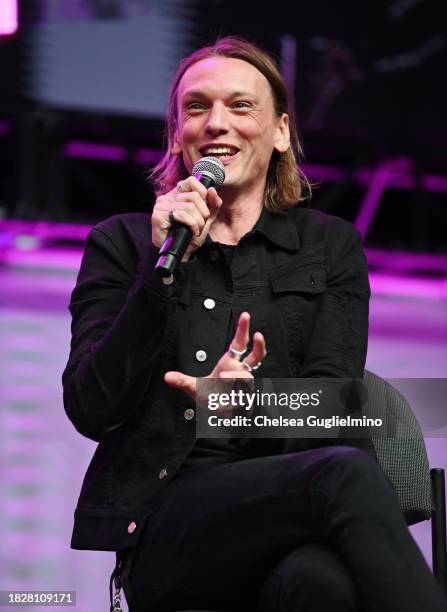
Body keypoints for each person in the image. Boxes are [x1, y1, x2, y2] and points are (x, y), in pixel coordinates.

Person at [63, 37, 447, 612]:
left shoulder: (329, 246)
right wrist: (158, 272)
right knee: (343, 476)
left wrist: (241, 405)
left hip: (293, 507)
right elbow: (90, 407)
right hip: (170, 524)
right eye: (196, 108)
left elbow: (337, 404)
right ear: (176, 134)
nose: (217, 123)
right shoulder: (122, 243)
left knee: (325, 585)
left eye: (241, 107)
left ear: (280, 132)